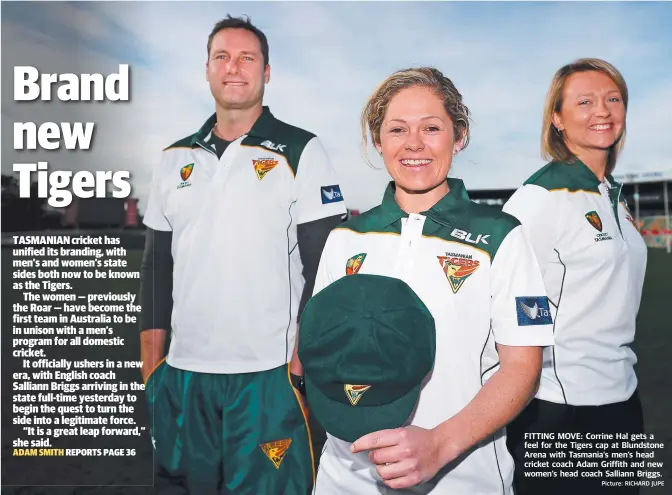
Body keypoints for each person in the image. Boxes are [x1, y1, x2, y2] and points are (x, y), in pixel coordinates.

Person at [290, 66, 555, 494]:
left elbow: (523, 368)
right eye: (397, 129)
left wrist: (439, 444)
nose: (414, 144)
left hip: (463, 479)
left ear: (459, 135)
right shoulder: (346, 237)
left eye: (431, 128)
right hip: (345, 478)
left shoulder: (501, 235)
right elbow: (317, 349)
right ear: (379, 141)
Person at [138, 15, 347, 495]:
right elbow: (155, 267)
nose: (234, 67)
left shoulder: (302, 150)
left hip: (268, 378)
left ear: (267, 72)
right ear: (207, 70)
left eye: (247, 57)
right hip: (184, 375)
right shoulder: (174, 158)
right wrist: (153, 366)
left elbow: (326, 269)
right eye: (222, 57)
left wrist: (300, 370)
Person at [503, 58, 648, 494]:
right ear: (557, 119)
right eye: (584, 102)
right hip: (561, 408)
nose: (601, 110)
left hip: (622, 396)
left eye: (612, 99)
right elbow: (505, 299)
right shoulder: (540, 197)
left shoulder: (611, 194)